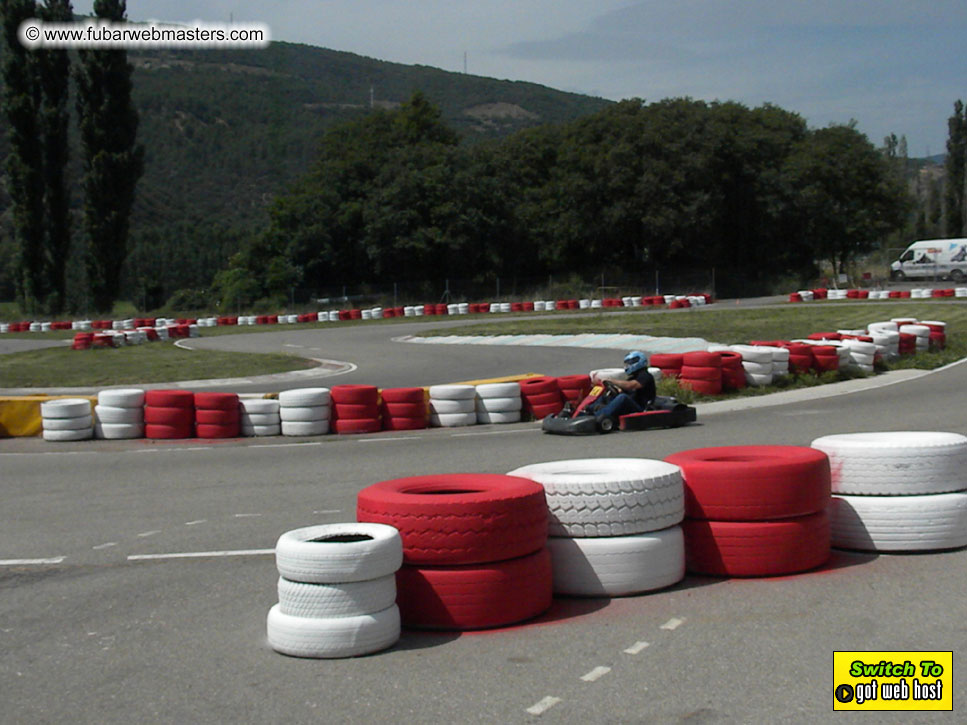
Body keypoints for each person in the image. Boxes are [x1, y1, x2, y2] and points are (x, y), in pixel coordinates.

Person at [593, 350, 656, 423]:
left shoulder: (646, 376)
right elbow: (625, 389)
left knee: (623, 397)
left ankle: (598, 417)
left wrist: (611, 380)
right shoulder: (633, 377)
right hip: (631, 405)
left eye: (629, 363)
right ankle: (588, 410)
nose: (627, 366)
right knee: (607, 395)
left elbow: (631, 385)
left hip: (641, 408)